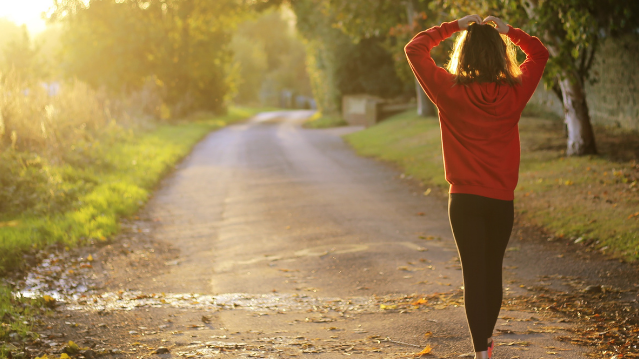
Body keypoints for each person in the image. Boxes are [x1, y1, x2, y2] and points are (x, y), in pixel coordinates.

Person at [404, 14, 549, 359]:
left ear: (464, 54)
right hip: (501, 201)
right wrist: (509, 31)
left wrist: (453, 26)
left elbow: (415, 48)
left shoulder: (448, 90)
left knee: (474, 275)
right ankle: (486, 343)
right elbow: (540, 54)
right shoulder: (514, 92)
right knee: (492, 271)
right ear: (501, 55)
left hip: (464, 200)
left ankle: (481, 351)